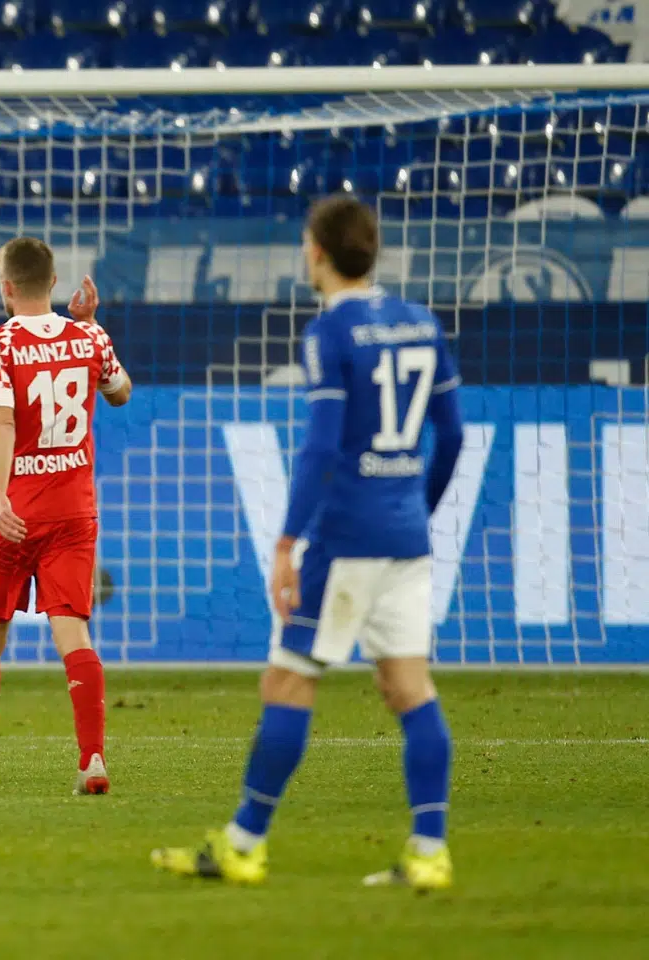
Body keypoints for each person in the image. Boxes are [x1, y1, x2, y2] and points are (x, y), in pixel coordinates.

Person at [152, 195, 464, 891]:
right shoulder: (421, 323)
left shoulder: (331, 334)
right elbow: (455, 435)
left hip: (347, 538)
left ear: (317, 252)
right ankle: (429, 851)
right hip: (406, 539)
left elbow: (322, 446)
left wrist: (287, 541)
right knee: (409, 688)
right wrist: (417, 506)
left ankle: (243, 843)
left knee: (287, 680)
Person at [0, 238, 132, 796]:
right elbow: (121, 392)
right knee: (74, 632)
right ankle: (91, 759)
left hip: (15, 512)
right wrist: (86, 322)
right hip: (74, 512)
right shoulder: (91, 336)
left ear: (6, 287)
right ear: (56, 279)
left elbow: (1, 425)